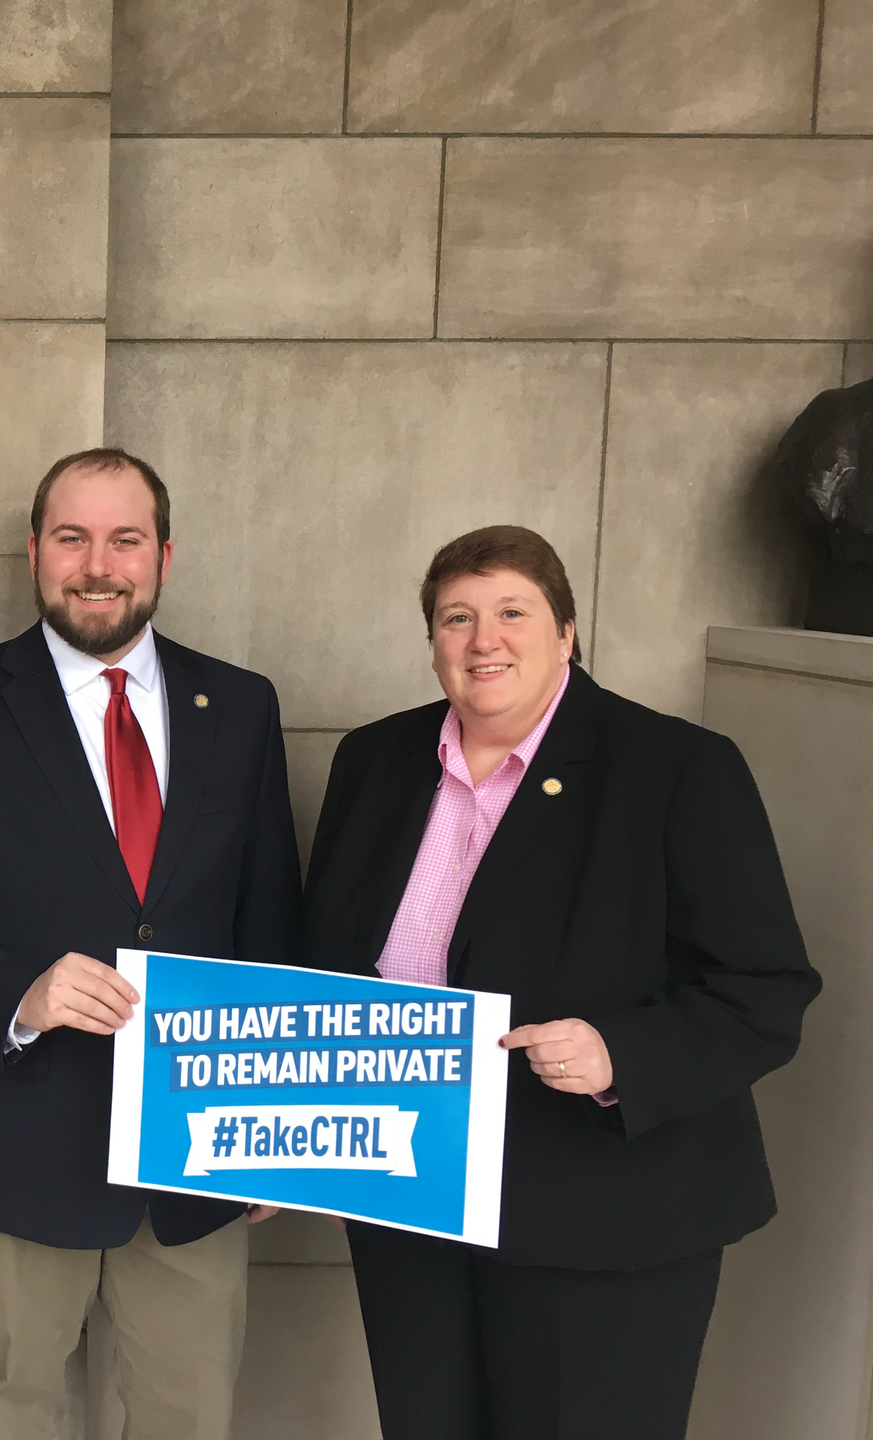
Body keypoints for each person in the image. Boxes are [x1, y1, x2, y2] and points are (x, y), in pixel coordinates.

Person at [302, 524, 820, 1440]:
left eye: (512, 611)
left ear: (567, 631)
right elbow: (329, 968)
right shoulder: (375, 762)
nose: (482, 639)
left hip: (604, 1218)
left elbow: (765, 987)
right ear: (432, 643)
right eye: (456, 617)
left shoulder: (675, 769)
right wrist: (303, 1146)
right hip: (410, 1202)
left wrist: (620, 1052)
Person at [0, 448, 302, 1438]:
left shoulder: (239, 707)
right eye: (72, 537)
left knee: (189, 1418)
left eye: (124, 539)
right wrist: (20, 989)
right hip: (21, 1144)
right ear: (33, 553)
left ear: (164, 556)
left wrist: (279, 1127)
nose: (97, 564)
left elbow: (269, 919)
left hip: (200, 1155)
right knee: (15, 1414)